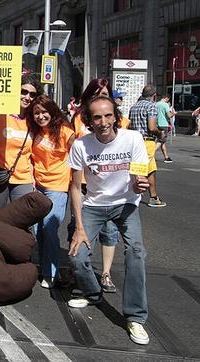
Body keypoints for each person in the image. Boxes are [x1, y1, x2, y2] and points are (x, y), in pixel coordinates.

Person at [67, 96, 151, 346]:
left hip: (125, 205)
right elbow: (74, 188)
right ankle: (93, 294)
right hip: (94, 205)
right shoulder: (81, 145)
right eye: (97, 117)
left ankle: (135, 317)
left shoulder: (133, 138)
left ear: (116, 116)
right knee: (76, 256)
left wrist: (140, 184)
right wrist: (79, 228)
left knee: (136, 252)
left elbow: (138, 178)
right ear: (89, 121)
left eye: (107, 116)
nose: (103, 122)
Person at [69, 78, 127, 293]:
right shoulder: (78, 118)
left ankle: (106, 273)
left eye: (105, 93)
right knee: (79, 227)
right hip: (82, 181)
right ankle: (81, 272)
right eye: (96, 93)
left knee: (110, 230)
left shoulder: (114, 118)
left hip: (107, 184)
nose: (101, 96)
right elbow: (71, 142)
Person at [27, 95, 75, 288]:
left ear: (52, 111)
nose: (40, 116)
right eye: (36, 113)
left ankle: (51, 272)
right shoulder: (34, 131)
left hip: (58, 187)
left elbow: (77, 157)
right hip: (38, 185)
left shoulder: (65, 132)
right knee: (37, 230)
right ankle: (42, 263)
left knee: (49, 227)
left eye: (44, 112)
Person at [0, 75, 42, 212]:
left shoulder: (35, 121)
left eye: (32, 94)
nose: (27, 97)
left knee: (23, 218)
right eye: (23, 92)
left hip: (23, 178)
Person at [128, 84, 166, 208]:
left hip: (134, 140)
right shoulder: (151, 106)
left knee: (144, 169)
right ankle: (143, 197)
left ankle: (150, 196)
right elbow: (152, 127)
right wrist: (160, 133)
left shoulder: (133, 107)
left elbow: (129, 125)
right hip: (146, 141)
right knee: (145, 170)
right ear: (154, 95)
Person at [155, 94, 174, 163]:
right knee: (161, 141)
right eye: (168, 99)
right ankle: (150, 153)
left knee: (163, 141)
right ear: (166, 98)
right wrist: (174, 113)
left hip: (157, 124)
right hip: (164, 124)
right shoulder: (165, 105)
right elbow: (169, 115)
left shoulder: (156, 104)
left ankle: (166, 157)